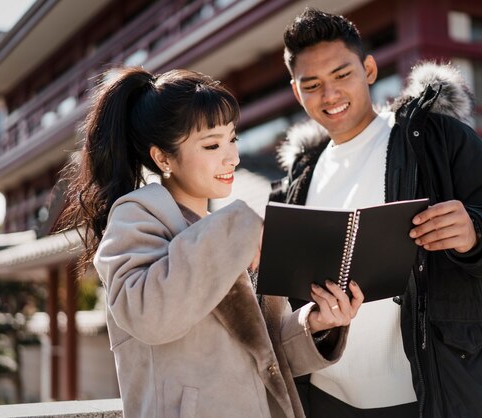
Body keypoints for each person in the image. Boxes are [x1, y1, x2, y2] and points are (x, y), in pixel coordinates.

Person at [270, 8, 482, 418]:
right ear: (296, 91)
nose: (330, 95)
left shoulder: (434, 139)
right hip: (326, 398)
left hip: (430, 394)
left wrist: (476, 232)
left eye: (342, 75)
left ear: (369, 69)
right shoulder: (298, 178)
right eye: (312, 84)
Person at [59, 67, 364, 418]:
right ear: (163, 158)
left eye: (232, 139)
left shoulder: (228, 231)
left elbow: (263, 355)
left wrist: (316, 323)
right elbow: (149, 316)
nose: (231, 157)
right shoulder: (137, 217)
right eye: (212, 144)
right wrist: (238, 228)